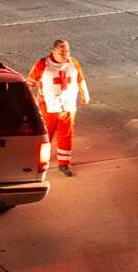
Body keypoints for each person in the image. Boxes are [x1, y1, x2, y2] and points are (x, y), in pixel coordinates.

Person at [28, 39, 91, 177]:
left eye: (67, 51)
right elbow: (30, 83)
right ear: (53, 51)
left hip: (67, 108)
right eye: (62, 51)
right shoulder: (42, 64)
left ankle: (64, 164)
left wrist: (85, 94)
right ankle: (38, 163)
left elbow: (80, 79)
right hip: (48, 108)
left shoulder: (73, 63)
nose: (65, 54)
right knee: (45, 137)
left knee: (66, 136)